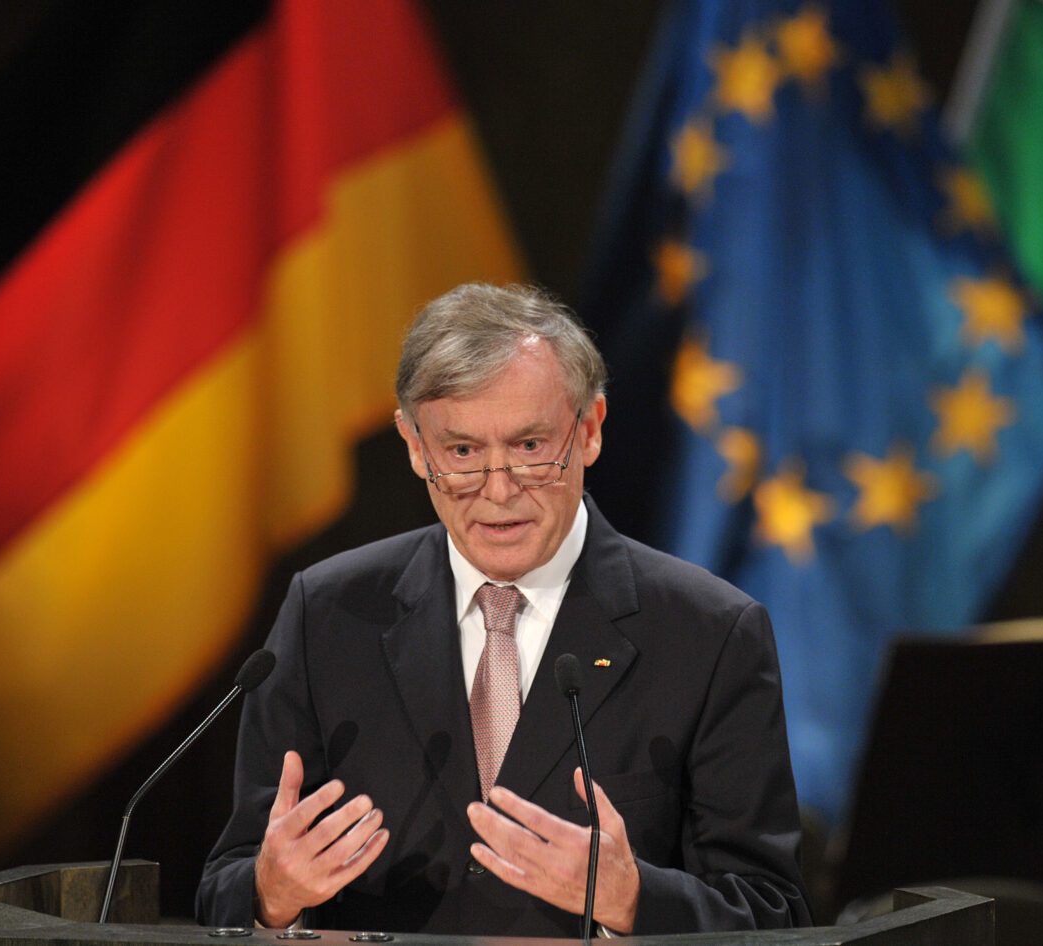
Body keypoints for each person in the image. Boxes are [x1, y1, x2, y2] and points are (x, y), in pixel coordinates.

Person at [196, 283, 811, 935]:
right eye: (462, 453)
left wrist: (634, 901)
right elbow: (227, 886)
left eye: (528, 448)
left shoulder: (709, 633)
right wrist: (271, 895)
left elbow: (777, 913)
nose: (498, 491)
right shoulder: (327, 614)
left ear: (590, 430)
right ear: (414, 445)